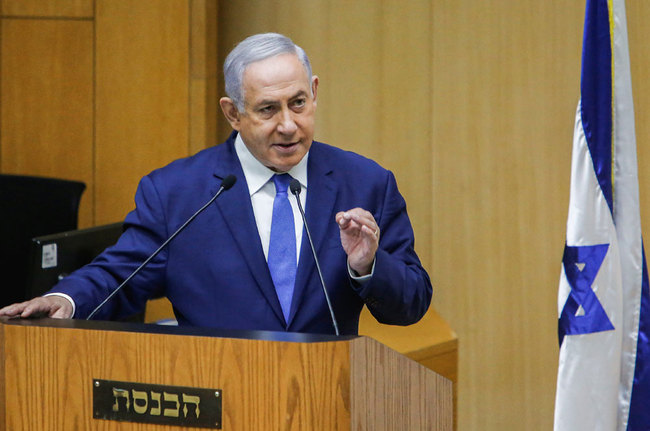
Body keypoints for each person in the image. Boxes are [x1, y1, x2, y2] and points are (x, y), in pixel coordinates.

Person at [0, 33, 431, 335]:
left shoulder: (366, 183)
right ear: (232, 113)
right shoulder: (177, 193)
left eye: (298, 103)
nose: (288, 125)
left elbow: (411, 304)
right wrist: (67, 300)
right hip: (216, 395)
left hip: (326, 398)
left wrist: (367, 267)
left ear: (314, 92)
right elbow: (121, 274)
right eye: (267, 109)